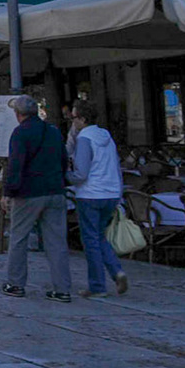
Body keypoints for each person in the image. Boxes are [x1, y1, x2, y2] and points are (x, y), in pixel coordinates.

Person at [1, 94, 72, 302]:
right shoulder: (53, 131)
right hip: (55, 190)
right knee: (57, 242)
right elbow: (63, 160)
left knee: (19, 238)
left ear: (18, 114)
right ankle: (62, 289)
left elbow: (15, 165)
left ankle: (15, 284)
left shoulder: (20, 133)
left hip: (29, 193)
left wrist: (8, 192)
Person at [69, 100, 128, 298]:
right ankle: (116, 271)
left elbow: (81, 173)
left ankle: (97, 285)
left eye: (74, 117)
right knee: (99, 236)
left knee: (90, 240)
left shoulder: (84, 139)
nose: (72, 122)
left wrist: (65, 176)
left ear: (83, 119)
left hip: (90, 194)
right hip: (111, 192)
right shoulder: (106, 136)